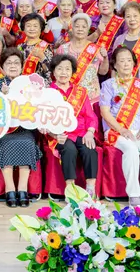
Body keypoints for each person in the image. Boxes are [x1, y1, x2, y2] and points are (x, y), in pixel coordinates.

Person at [99, 47, 140, 208]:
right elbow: (105, 112)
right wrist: (121, 129)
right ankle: (134, 195)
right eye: (121, 61)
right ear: (115, 65)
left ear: (133, 63)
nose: (126, 64)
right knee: (131, 150)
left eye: (128, 60)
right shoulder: (108, 85)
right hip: (116, 130)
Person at [0, 48, 41, 207]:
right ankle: (10, 189)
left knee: (27, 143)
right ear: (2, 66)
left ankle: (23, 189)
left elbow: (38, 107)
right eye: (8, 63)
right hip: (4, 130)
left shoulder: (29, 84)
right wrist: (4, 96)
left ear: (22, 66)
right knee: (7, 144)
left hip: (25, 128)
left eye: (16, 63)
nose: (12, 66)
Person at [46, 54, 99, 197]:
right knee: (69, 149)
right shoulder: (48, 93)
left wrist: (90, 132)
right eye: (59, 69)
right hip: (60, 134)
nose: (63, 73)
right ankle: (71, 190)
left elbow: (90, 115)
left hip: (82, 132)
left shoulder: (81, 92)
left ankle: (91, 188)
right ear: (53, 71)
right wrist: (54, 135)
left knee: (90, 148)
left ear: (72, 72)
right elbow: (44, 120)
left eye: (67, 69)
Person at [56, 14, 110, 106]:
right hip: (67, 97)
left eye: (84, 27)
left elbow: (103, 72)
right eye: (77, 26)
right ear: (72, 28)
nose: (80, 29)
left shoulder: (95, 49)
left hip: (91, 98)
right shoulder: (63, 49)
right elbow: (56, 72)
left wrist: (105, 58)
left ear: (88, 29)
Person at [17, 13, 53, 83]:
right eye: (28, 26)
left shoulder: (46, 47)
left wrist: (42, 57)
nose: (32, 29)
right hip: (22, 83)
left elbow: (51, 72)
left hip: (39, 84)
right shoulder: (19, 47)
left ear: (40, 28)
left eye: (35, 26)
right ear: (23, 28)